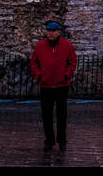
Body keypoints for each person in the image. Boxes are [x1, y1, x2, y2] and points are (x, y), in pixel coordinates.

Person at [30, 20, 77, 151]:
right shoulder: (40, 46)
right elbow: (34, 62)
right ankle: (49, 140)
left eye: (53, 31)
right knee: (47, 115)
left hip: (62, 85)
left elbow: (72, 61)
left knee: (62, 114)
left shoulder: (66, 45)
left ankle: (62, 140)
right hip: (46, 85)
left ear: (58, 32)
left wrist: (67, 75)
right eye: (48, 31)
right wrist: (39, 76)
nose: (50, 34)